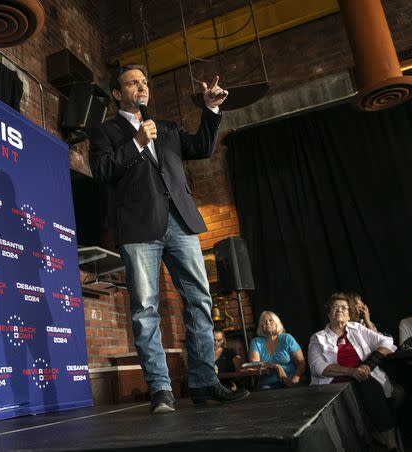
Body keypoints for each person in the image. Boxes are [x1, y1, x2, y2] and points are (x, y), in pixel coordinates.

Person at [88, 64, 248, 414]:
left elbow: (203, 147)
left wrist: (211, 109)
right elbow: (101, 171)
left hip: (180, 221)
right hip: (138, 228)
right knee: (146, 308)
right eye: (133, 82)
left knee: (200, 299)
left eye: (144, 81)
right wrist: (136, 143)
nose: (141, 86)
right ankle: (161, 389)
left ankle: (205, 381)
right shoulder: (105, 132)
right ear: (117, 94)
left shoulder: (168, 128)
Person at [309, 293, 398, 452]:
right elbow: (318, 367)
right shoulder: (318, 338)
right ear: (328, 313)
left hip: (362, 377)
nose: (339, 310)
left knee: (372, 388)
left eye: (344, 308)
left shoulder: (357, 329)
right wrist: (351, 371)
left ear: (349, 314)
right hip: (334, 383)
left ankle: (391, 445)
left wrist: (368, 365)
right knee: (346, 398)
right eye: (335, 307)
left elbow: (387, 342)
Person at [248, 311, 305, 390]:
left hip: (290, 382)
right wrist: (276, 367)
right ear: (260, 326)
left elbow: (301, 363)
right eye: (264, 321)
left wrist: (293, 381)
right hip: (267, 385)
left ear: (277, 323)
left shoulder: (287, 338)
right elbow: (255, 365)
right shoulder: (256, 342)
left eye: (270, 320)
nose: (267, 323)